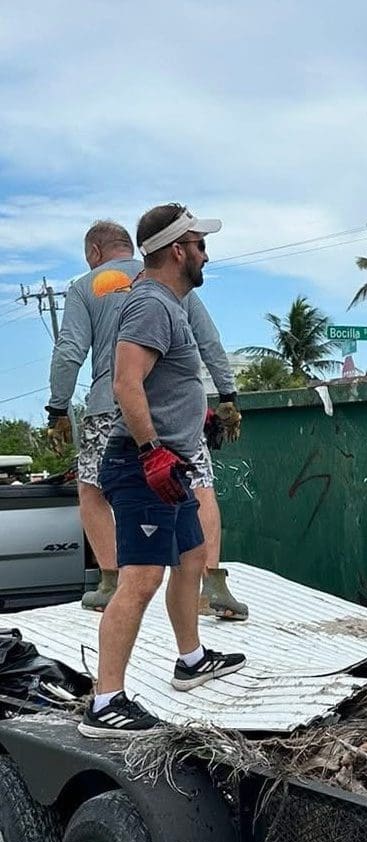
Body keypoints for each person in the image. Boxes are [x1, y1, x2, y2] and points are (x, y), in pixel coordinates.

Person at [79, 204, 246, 738]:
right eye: (198, 243)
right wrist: (152, 450)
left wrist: (201, 420)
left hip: (170, 461)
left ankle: (191, 659)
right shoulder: (152, 305)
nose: (204, 252)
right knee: (141, 578)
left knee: (193, 557)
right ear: (177, 250)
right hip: (143, 464)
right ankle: (106, 702)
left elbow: (165, 384)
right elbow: (127, 384)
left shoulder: (173, 304)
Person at [46, 220, 248, 620]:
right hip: (175, 413)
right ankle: (214, 584)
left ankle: (110, 582)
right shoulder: (166, 279)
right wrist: (227, 395)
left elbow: (70, 349)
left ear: (94, 253)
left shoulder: (88, 285)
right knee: (199, 484)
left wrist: (57, 408)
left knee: (93, 489)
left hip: (112, 407)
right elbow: (209, 339)